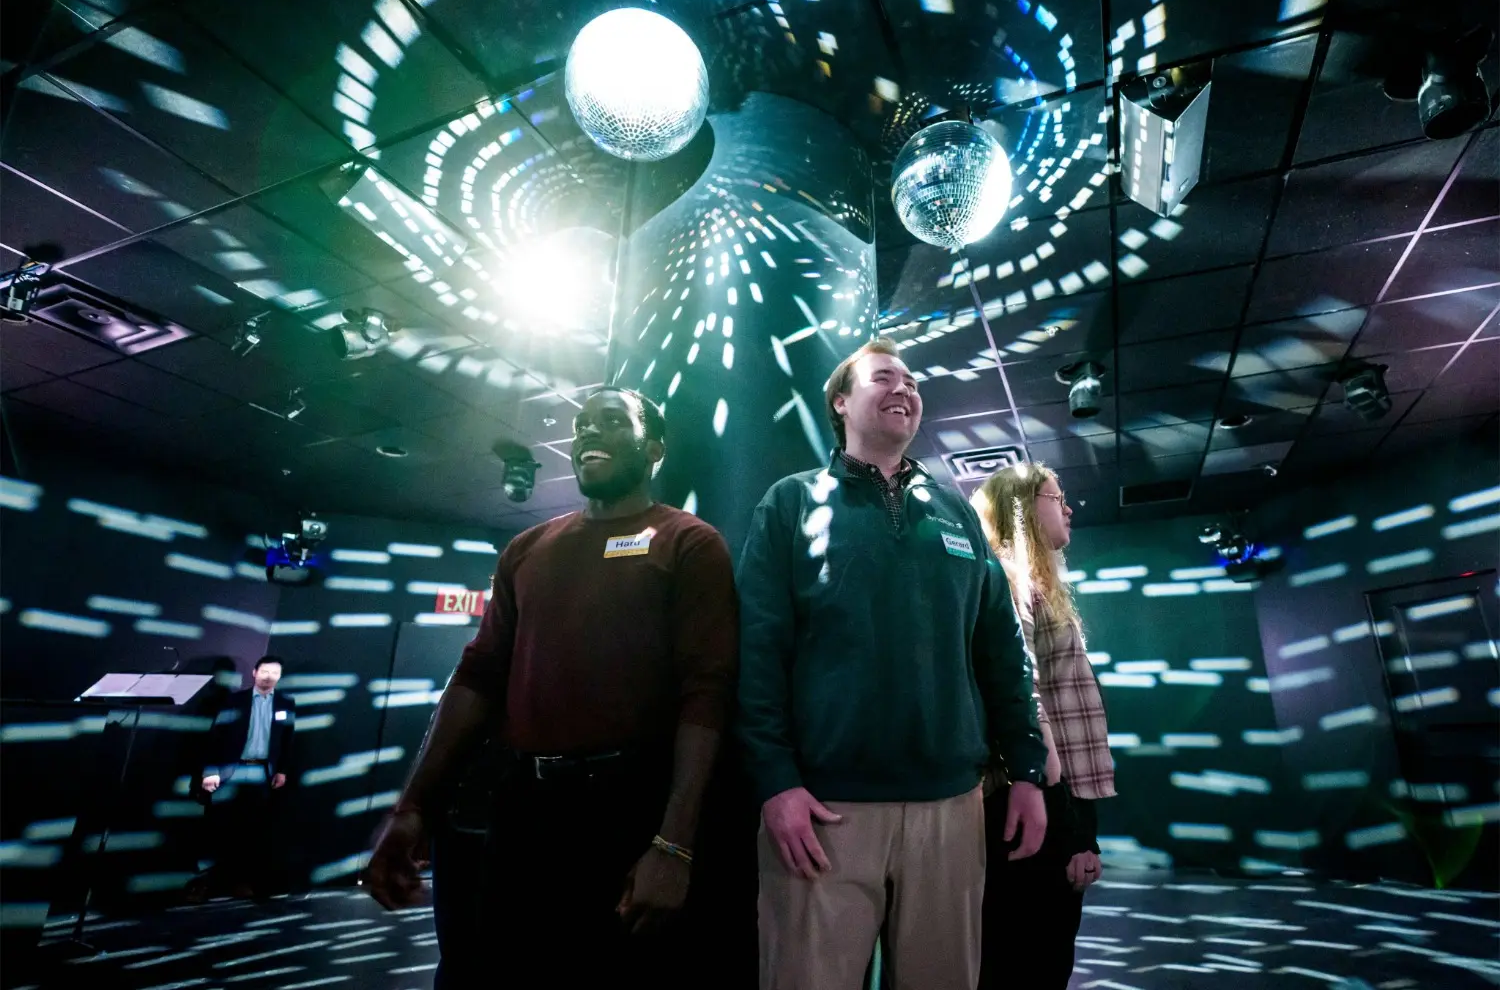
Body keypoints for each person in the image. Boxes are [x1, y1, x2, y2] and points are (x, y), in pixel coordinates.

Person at [364, 387, 739, 989]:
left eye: (612, 422)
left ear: (654, 449)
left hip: (631, 811)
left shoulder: (689, 542)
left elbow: (708, 692)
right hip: (525, 810)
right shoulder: (526, 549)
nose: (588, 433)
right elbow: (477, 676)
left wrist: (674, 844)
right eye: (583, 424)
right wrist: (413, 807)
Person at [736, 337, 1049, 990]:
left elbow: (1001, 650)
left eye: (912, 380)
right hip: (823, 811)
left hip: (952, 808)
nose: (905, 387)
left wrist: (1025, 769)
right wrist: (775, 782)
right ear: (842, 402)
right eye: (884, 377)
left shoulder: (958, 513)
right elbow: (757, 655)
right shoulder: (790, 505)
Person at [971, 464, 1115, 990]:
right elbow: (1026, 697)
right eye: (1058, 497)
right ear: (1024, 507)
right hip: (1043, 801)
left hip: (1058, 797)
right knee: (1034, 958)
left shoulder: (1035, 582)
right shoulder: (1010, 577)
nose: (1069, 508)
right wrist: (1071, 826)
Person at [196, 655, 297, 898]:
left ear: (279, 676)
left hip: (262, 773)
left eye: (274, 672)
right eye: (264, 671)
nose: (268, 676)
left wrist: (281, 770)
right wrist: (210, 771)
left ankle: (239, 882)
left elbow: (287, 739)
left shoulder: (286, 703)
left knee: (251, 830)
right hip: (230, 771)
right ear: (254, 672)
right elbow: (215, 737)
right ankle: (204, 885)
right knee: (217, 827)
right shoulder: (234, 700)